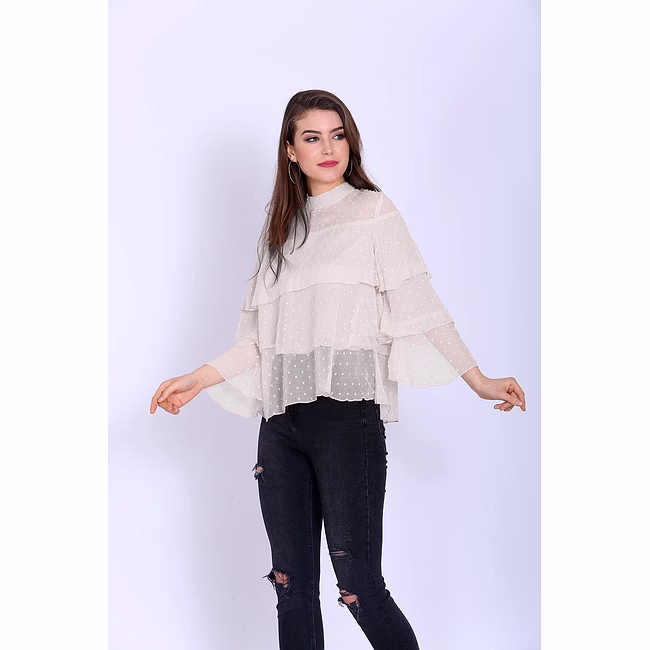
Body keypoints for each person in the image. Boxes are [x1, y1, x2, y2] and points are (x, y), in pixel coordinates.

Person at [150, 89, 526, 650]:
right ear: (290, 150)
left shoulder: (373, 212)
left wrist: (478, 380)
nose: (328, 148)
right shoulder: (279, 231)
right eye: (312, 137)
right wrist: (197, 380)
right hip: (281, 426)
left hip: (348, 422)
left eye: (337, 135)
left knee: (359, 589)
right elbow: (259, 343)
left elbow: (420, 306)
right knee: (292, 588)